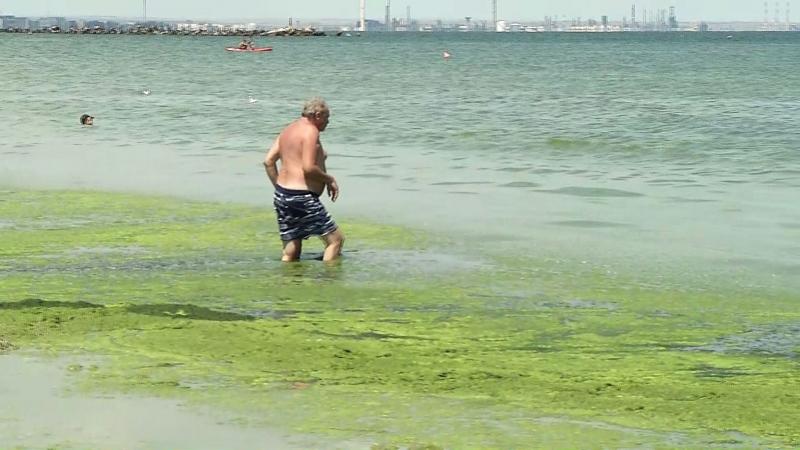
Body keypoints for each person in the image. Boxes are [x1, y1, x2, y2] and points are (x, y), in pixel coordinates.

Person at [263, 97, 344, 262]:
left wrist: (283, 191)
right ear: (318, 115)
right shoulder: (310, 131)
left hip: (282, 195)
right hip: (302, 197)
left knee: (291, 251)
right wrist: (329, 179)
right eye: (327, 118)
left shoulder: (288, 129)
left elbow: (268, 161)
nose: (328, 123)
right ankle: (329, 284)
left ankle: (288, 283)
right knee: (335, 241)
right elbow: (308, 168)